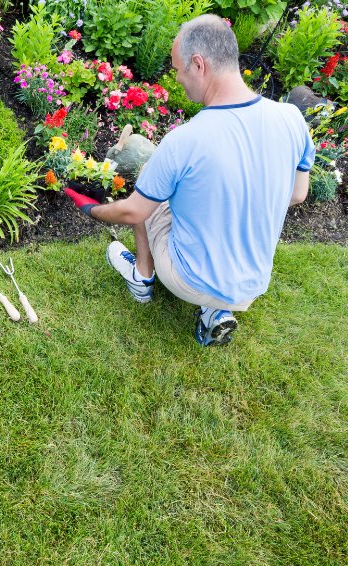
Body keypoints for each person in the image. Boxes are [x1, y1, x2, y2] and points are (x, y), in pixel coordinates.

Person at [66, 14, 315, 346]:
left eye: (178, 69)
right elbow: (298, 194)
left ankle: (142, 277)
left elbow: (134, 213)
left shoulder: (185, 140)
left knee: (150, 184)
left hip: (189, 279)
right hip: (252, 283)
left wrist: (92, 209)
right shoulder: (291, 119)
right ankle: (215, 311)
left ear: (198, 64)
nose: (178, 78)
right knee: (204, 195)